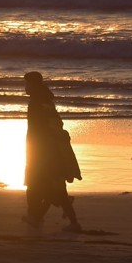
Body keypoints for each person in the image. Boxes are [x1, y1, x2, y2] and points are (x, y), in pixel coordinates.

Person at [22, 71, 82, 231]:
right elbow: (55, 123)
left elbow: (40, 128)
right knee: (46, 185)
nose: (25, 87)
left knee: (44, 185)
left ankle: (41, 217)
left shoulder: (37, 101)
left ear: (34, 85)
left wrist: (38, 148)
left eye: (27, 84)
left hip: (42, 149)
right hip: (46, 147)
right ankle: (37, 217)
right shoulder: (45, 99)